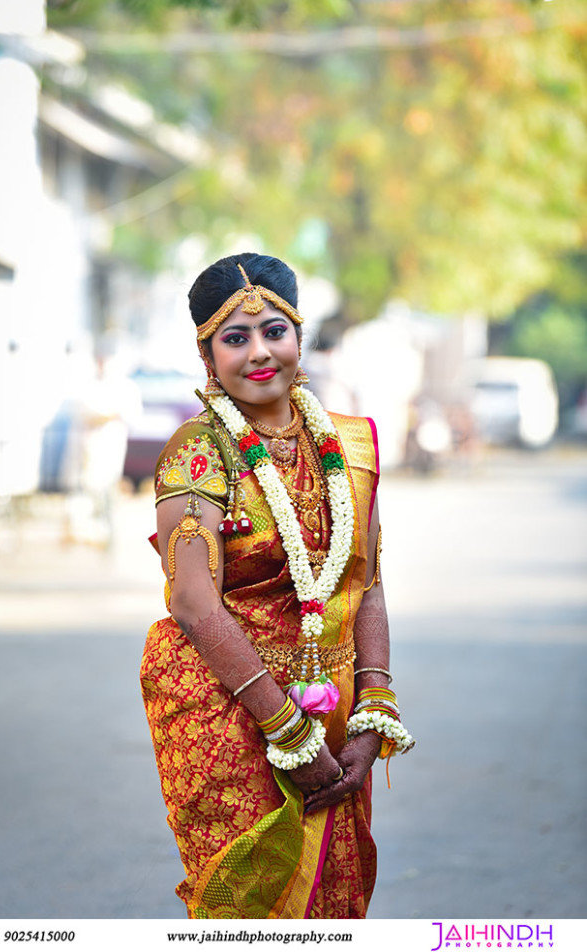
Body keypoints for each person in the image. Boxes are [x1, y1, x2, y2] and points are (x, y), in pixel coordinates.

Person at [140, 253, 414, 919]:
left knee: (334, 901)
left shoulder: (346, 446)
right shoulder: (196, 452)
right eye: (235, 338)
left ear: (299, 337)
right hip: (227, 711)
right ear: (207, 356)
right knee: (250, 904)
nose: (258, 353)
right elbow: (193, 602)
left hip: (335, 701)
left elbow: (366, 583)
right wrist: (286, 728)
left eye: (273, 332)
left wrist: (371, 709)